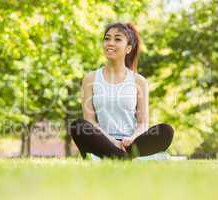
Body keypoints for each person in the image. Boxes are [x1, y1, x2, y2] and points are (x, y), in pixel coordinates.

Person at [70, 22, 174, 159]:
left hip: (130, 143)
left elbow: (143, 123)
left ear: (128, 48)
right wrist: (112, 141)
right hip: (102, 141)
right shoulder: (90, 79)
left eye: (117, 39)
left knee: (166, 131)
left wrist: (132, 138)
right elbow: (90, 121)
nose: (110, 43)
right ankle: (126, 158)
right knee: (78, 126)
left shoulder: (139, 81)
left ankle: (120, 157)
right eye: (107, 38)